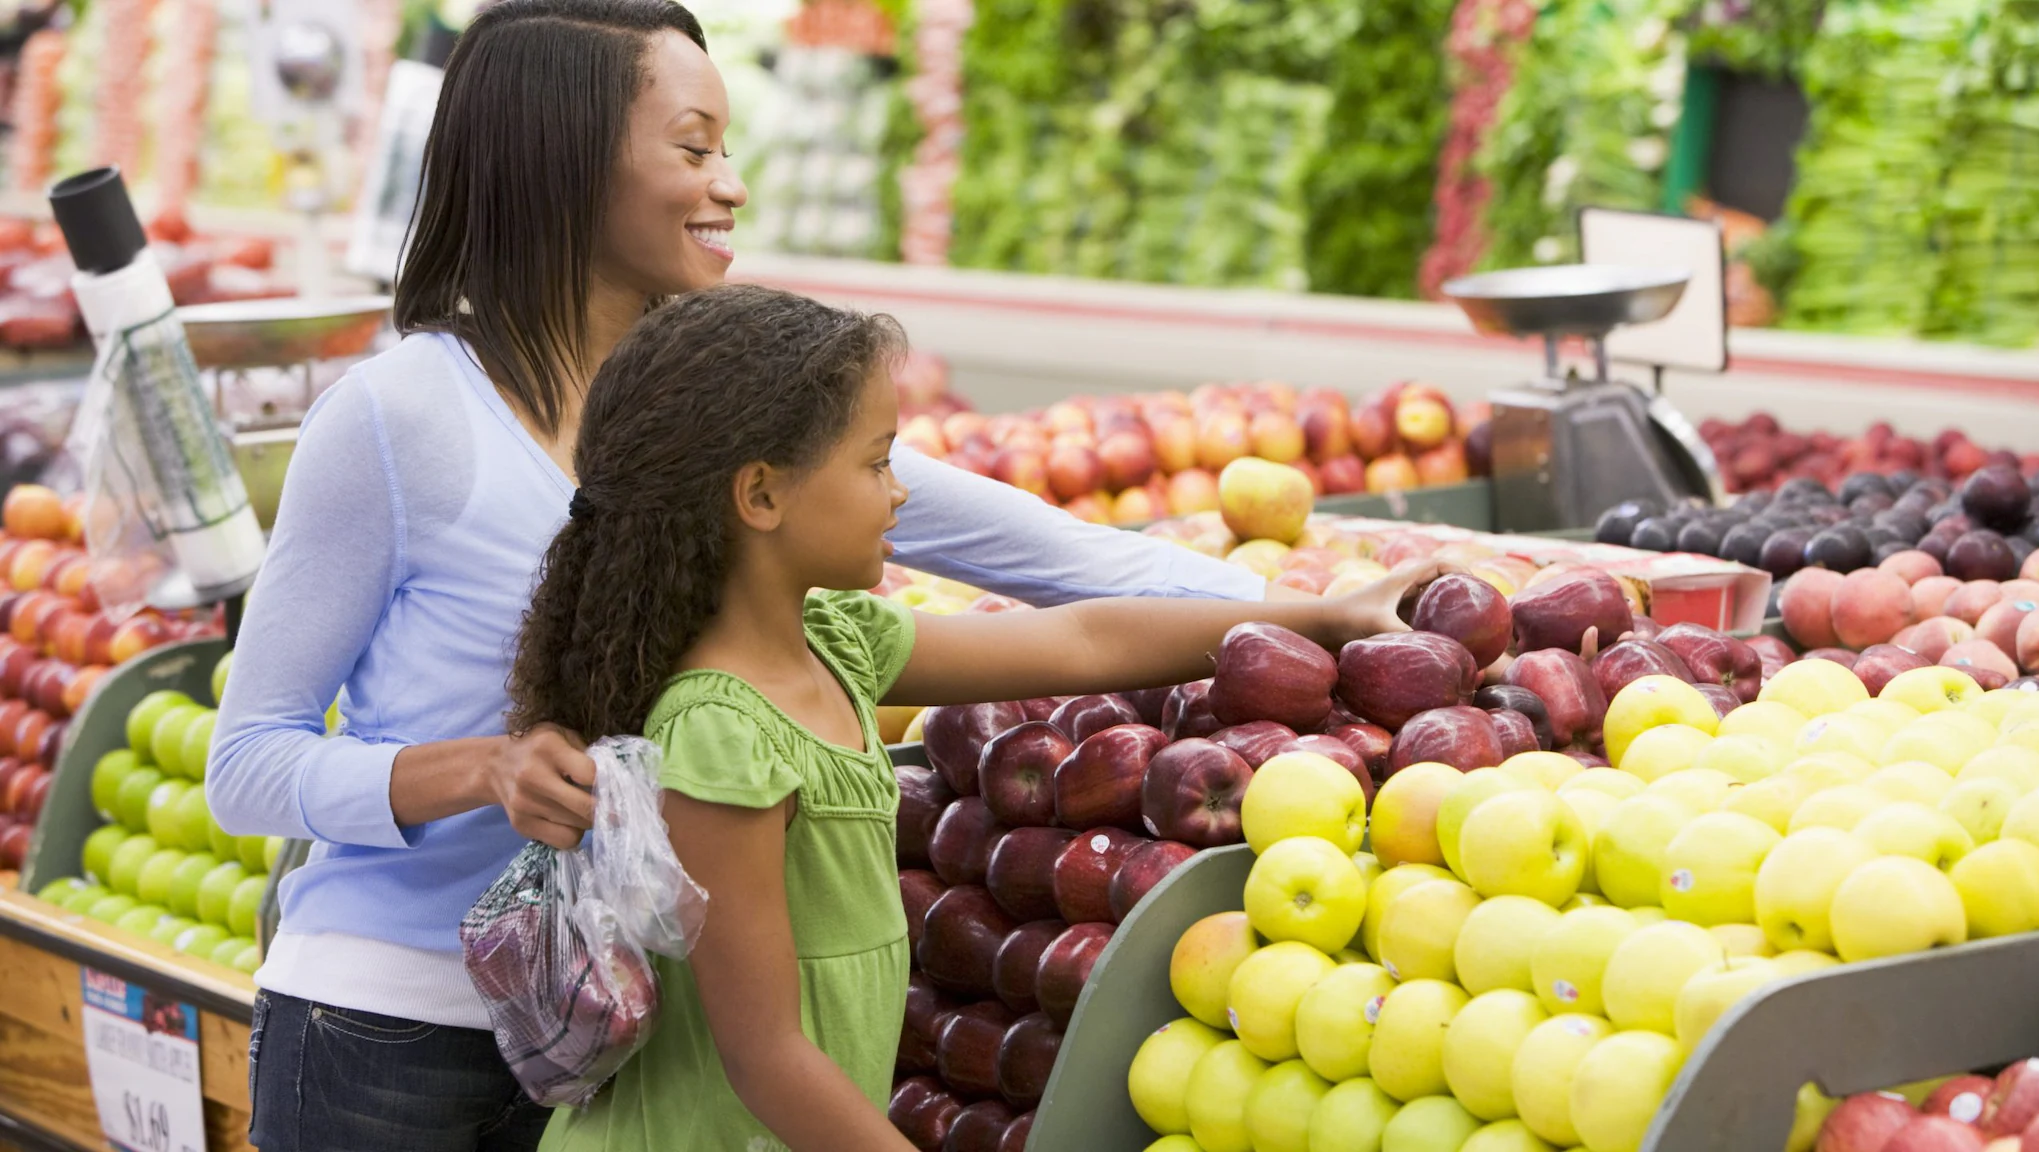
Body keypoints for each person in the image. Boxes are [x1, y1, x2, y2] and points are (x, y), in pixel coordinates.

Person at [207, 2, 1294, 1149]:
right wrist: (479, 769)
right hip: (392, 1044)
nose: (728, 185)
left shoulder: (706, 397)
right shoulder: (395, 419)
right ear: (565, 163)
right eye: (691, 148)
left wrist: (1303, 621)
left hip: (620, 1054)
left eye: (727, 148)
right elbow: (248, 763)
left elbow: (1048, 560)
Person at [506, 285, 1438, 1151]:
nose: (900, 492)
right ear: (760, 495)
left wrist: (1324, 616)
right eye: (876, 463)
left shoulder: (835, 641)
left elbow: (1084, 643)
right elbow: (766, 1058)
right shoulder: (718, 733)